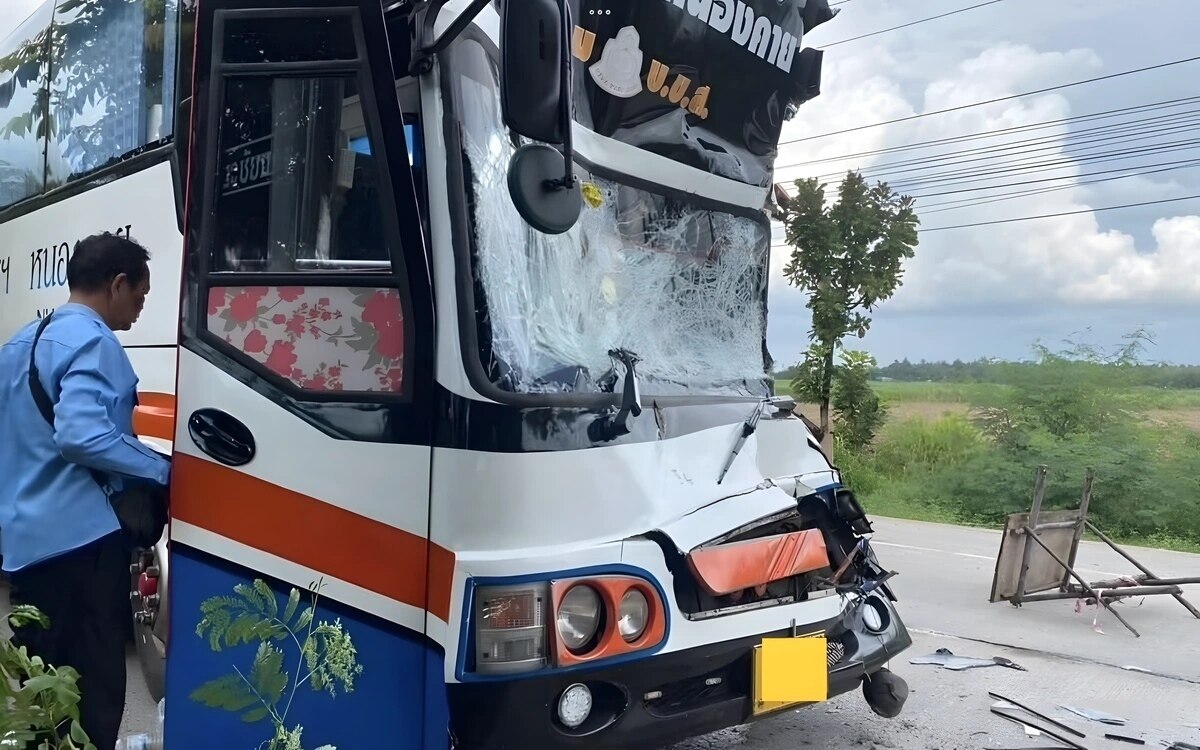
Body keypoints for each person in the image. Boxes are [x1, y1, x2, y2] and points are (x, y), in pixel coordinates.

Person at [0, 232, 171, 750]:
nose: (140, 308)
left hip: (24, 548)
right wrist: (162, 469)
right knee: (91, 699)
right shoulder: (95, 342)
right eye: (140, 295)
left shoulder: (20, 342)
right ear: (117, 284)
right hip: (80, 549)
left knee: (42, 693)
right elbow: (81, 434)